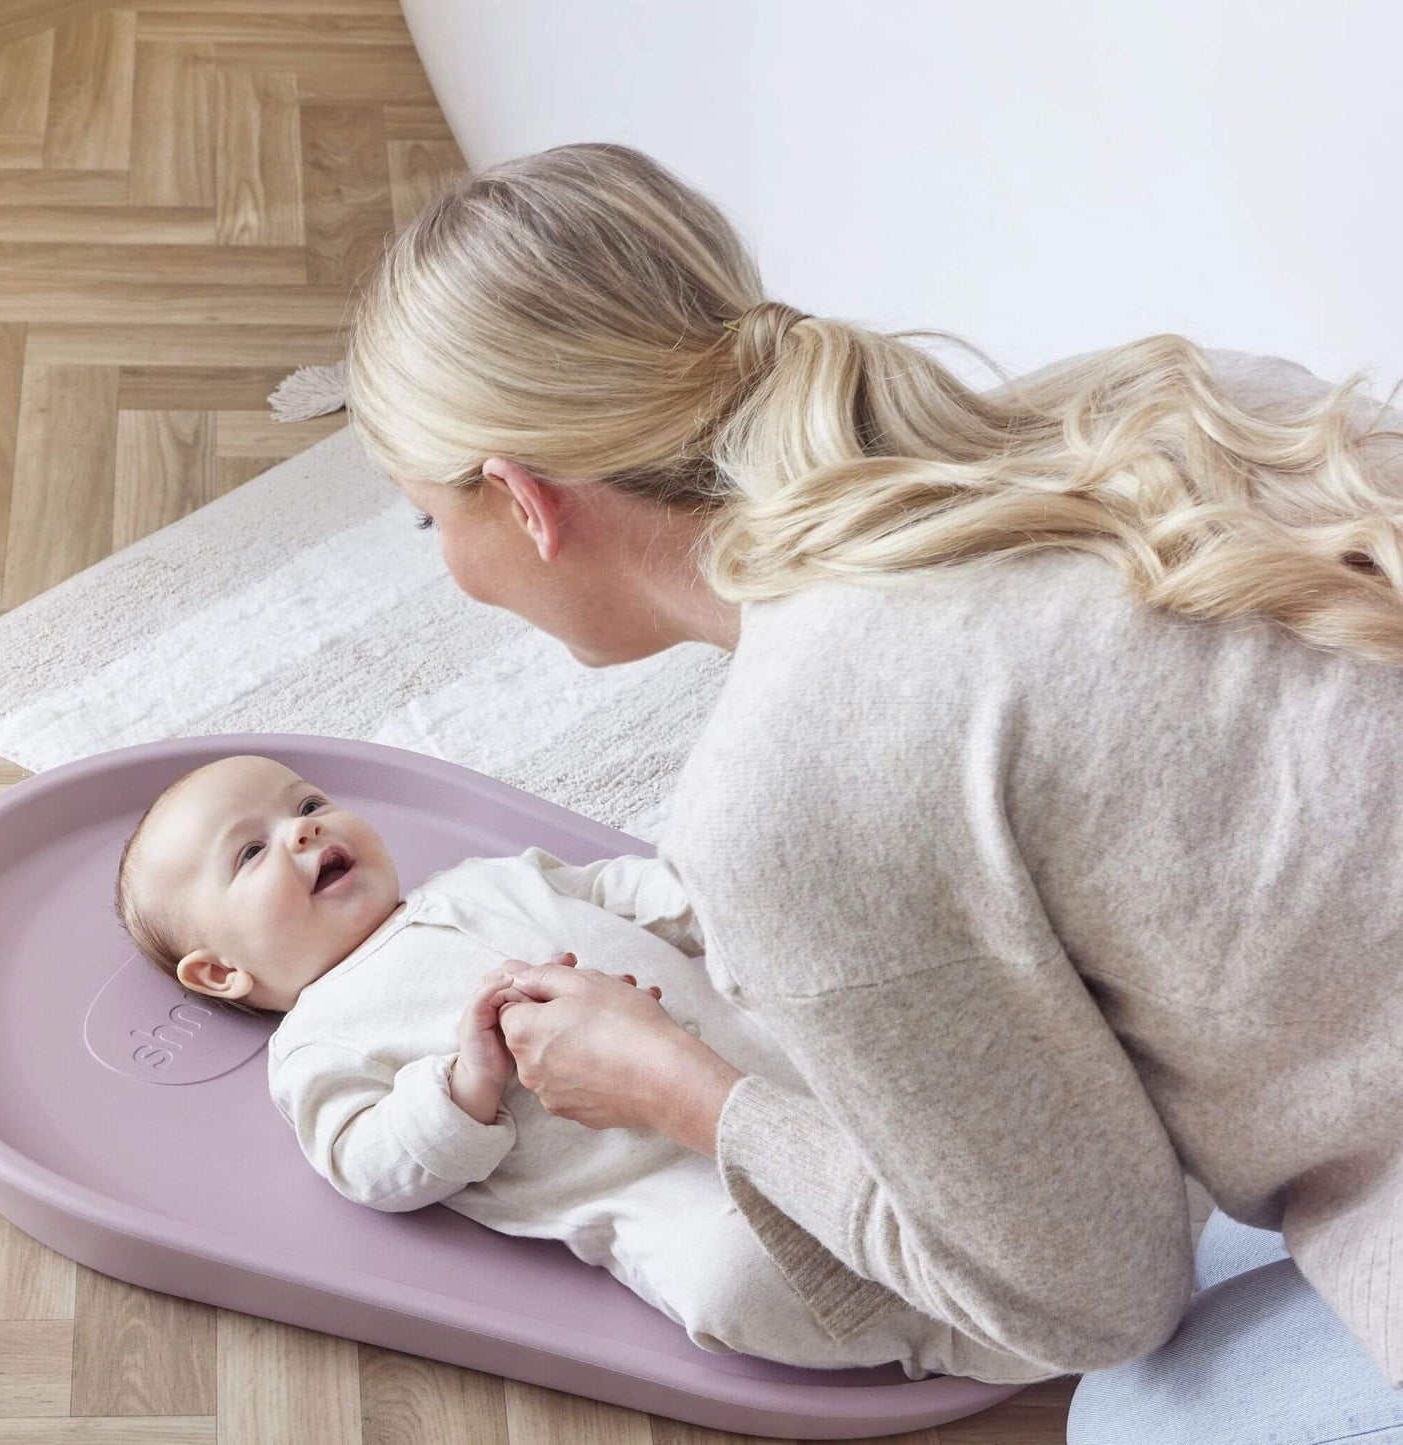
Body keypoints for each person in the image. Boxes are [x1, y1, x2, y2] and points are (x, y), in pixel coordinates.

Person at [342, 140, 1403, 1438]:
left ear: (521, 498)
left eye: (426, 520)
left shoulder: (793, 788)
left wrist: (688, 1092)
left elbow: (1094, 1302)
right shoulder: (1169, 398)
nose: (448, 564)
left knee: (1140, 1413)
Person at [111, 751, 1057, 1385]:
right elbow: (366, 1160)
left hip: (773, 1055)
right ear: (222, 970)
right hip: (669, 1188)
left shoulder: (479, 879)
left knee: (887, 1032)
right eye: (251, 851)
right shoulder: (316, 1038)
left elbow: (620, 888)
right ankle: (957, 1339)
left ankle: (1008, 1195)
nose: (304, 832)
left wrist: (714, 896)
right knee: (735, 1281)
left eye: (307, 805)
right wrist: (463, 1081)